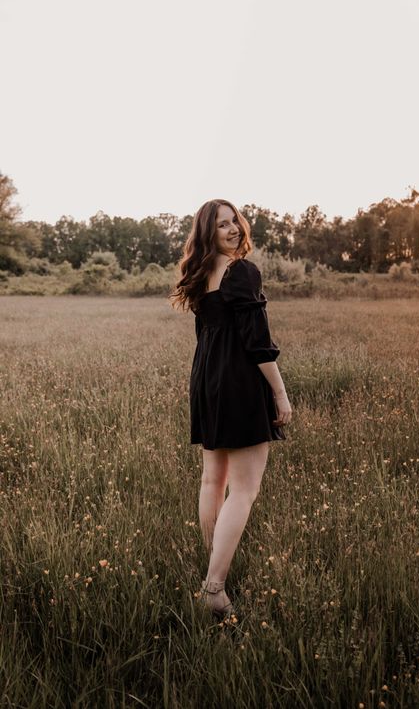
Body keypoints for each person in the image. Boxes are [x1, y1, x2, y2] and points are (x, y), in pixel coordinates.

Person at [169, 198, 292, 619]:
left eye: (234, 220)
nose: (234, 229)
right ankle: (214, 588)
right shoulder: (243, 271)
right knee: (243, 488)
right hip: (239, 382)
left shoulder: (200, 273)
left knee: (212, 481)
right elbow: (257, 342)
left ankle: (212, 563)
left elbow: (207, 335)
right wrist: (279, 393)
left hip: (206, 380)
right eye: (222, 225)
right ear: (209, 233)